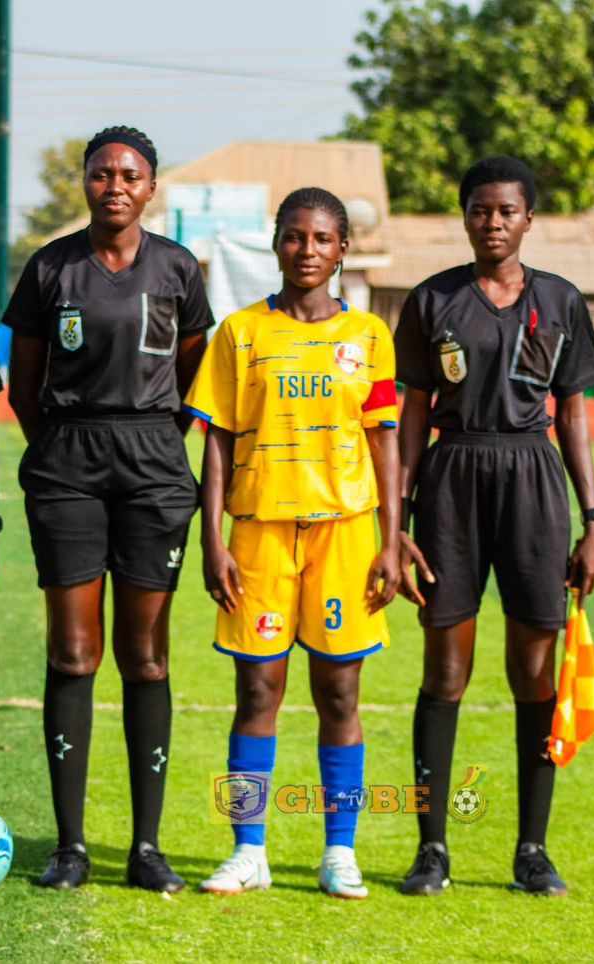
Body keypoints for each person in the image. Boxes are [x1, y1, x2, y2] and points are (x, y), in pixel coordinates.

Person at [5, 126, 211, 892]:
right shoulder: (51, 267)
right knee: (72, 653)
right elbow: (24, 383)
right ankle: (70, 846)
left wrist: (155, 441)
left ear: (151, 186)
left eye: (129, 174)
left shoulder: (178, 268)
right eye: (101, 174)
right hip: (68, 464)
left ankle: (146, 848)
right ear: (84, 184)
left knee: (147, 655)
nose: (114, 185)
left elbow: (193, 376)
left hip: (154, 465)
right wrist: (62, 448)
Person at [395, 157, 594, 898]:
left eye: (507, 211)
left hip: (535, 485)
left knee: (533, 675)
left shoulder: (560, 300)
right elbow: (413, 414)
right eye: (481, 210)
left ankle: (532, 849)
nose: (493, 222)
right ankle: (431, 849)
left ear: (527, 219)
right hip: (451, 481)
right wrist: (398, 519)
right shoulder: (431, 301)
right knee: (444, 673)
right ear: (465, 215)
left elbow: (574, 414)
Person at [186, 188, 402, 900]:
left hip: (344, 535)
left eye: (322, 239)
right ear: (276, 243)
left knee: (340, 693)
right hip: (259, 535)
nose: (307, 251)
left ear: (343, 249)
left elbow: (384, 444)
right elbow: (216, 441)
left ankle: (340, 852)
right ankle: (248, 849)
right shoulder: (240, 334)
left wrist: (393, 540)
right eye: (294, 237)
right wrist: (213, 539)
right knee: (256, 690)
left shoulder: (369, 335)